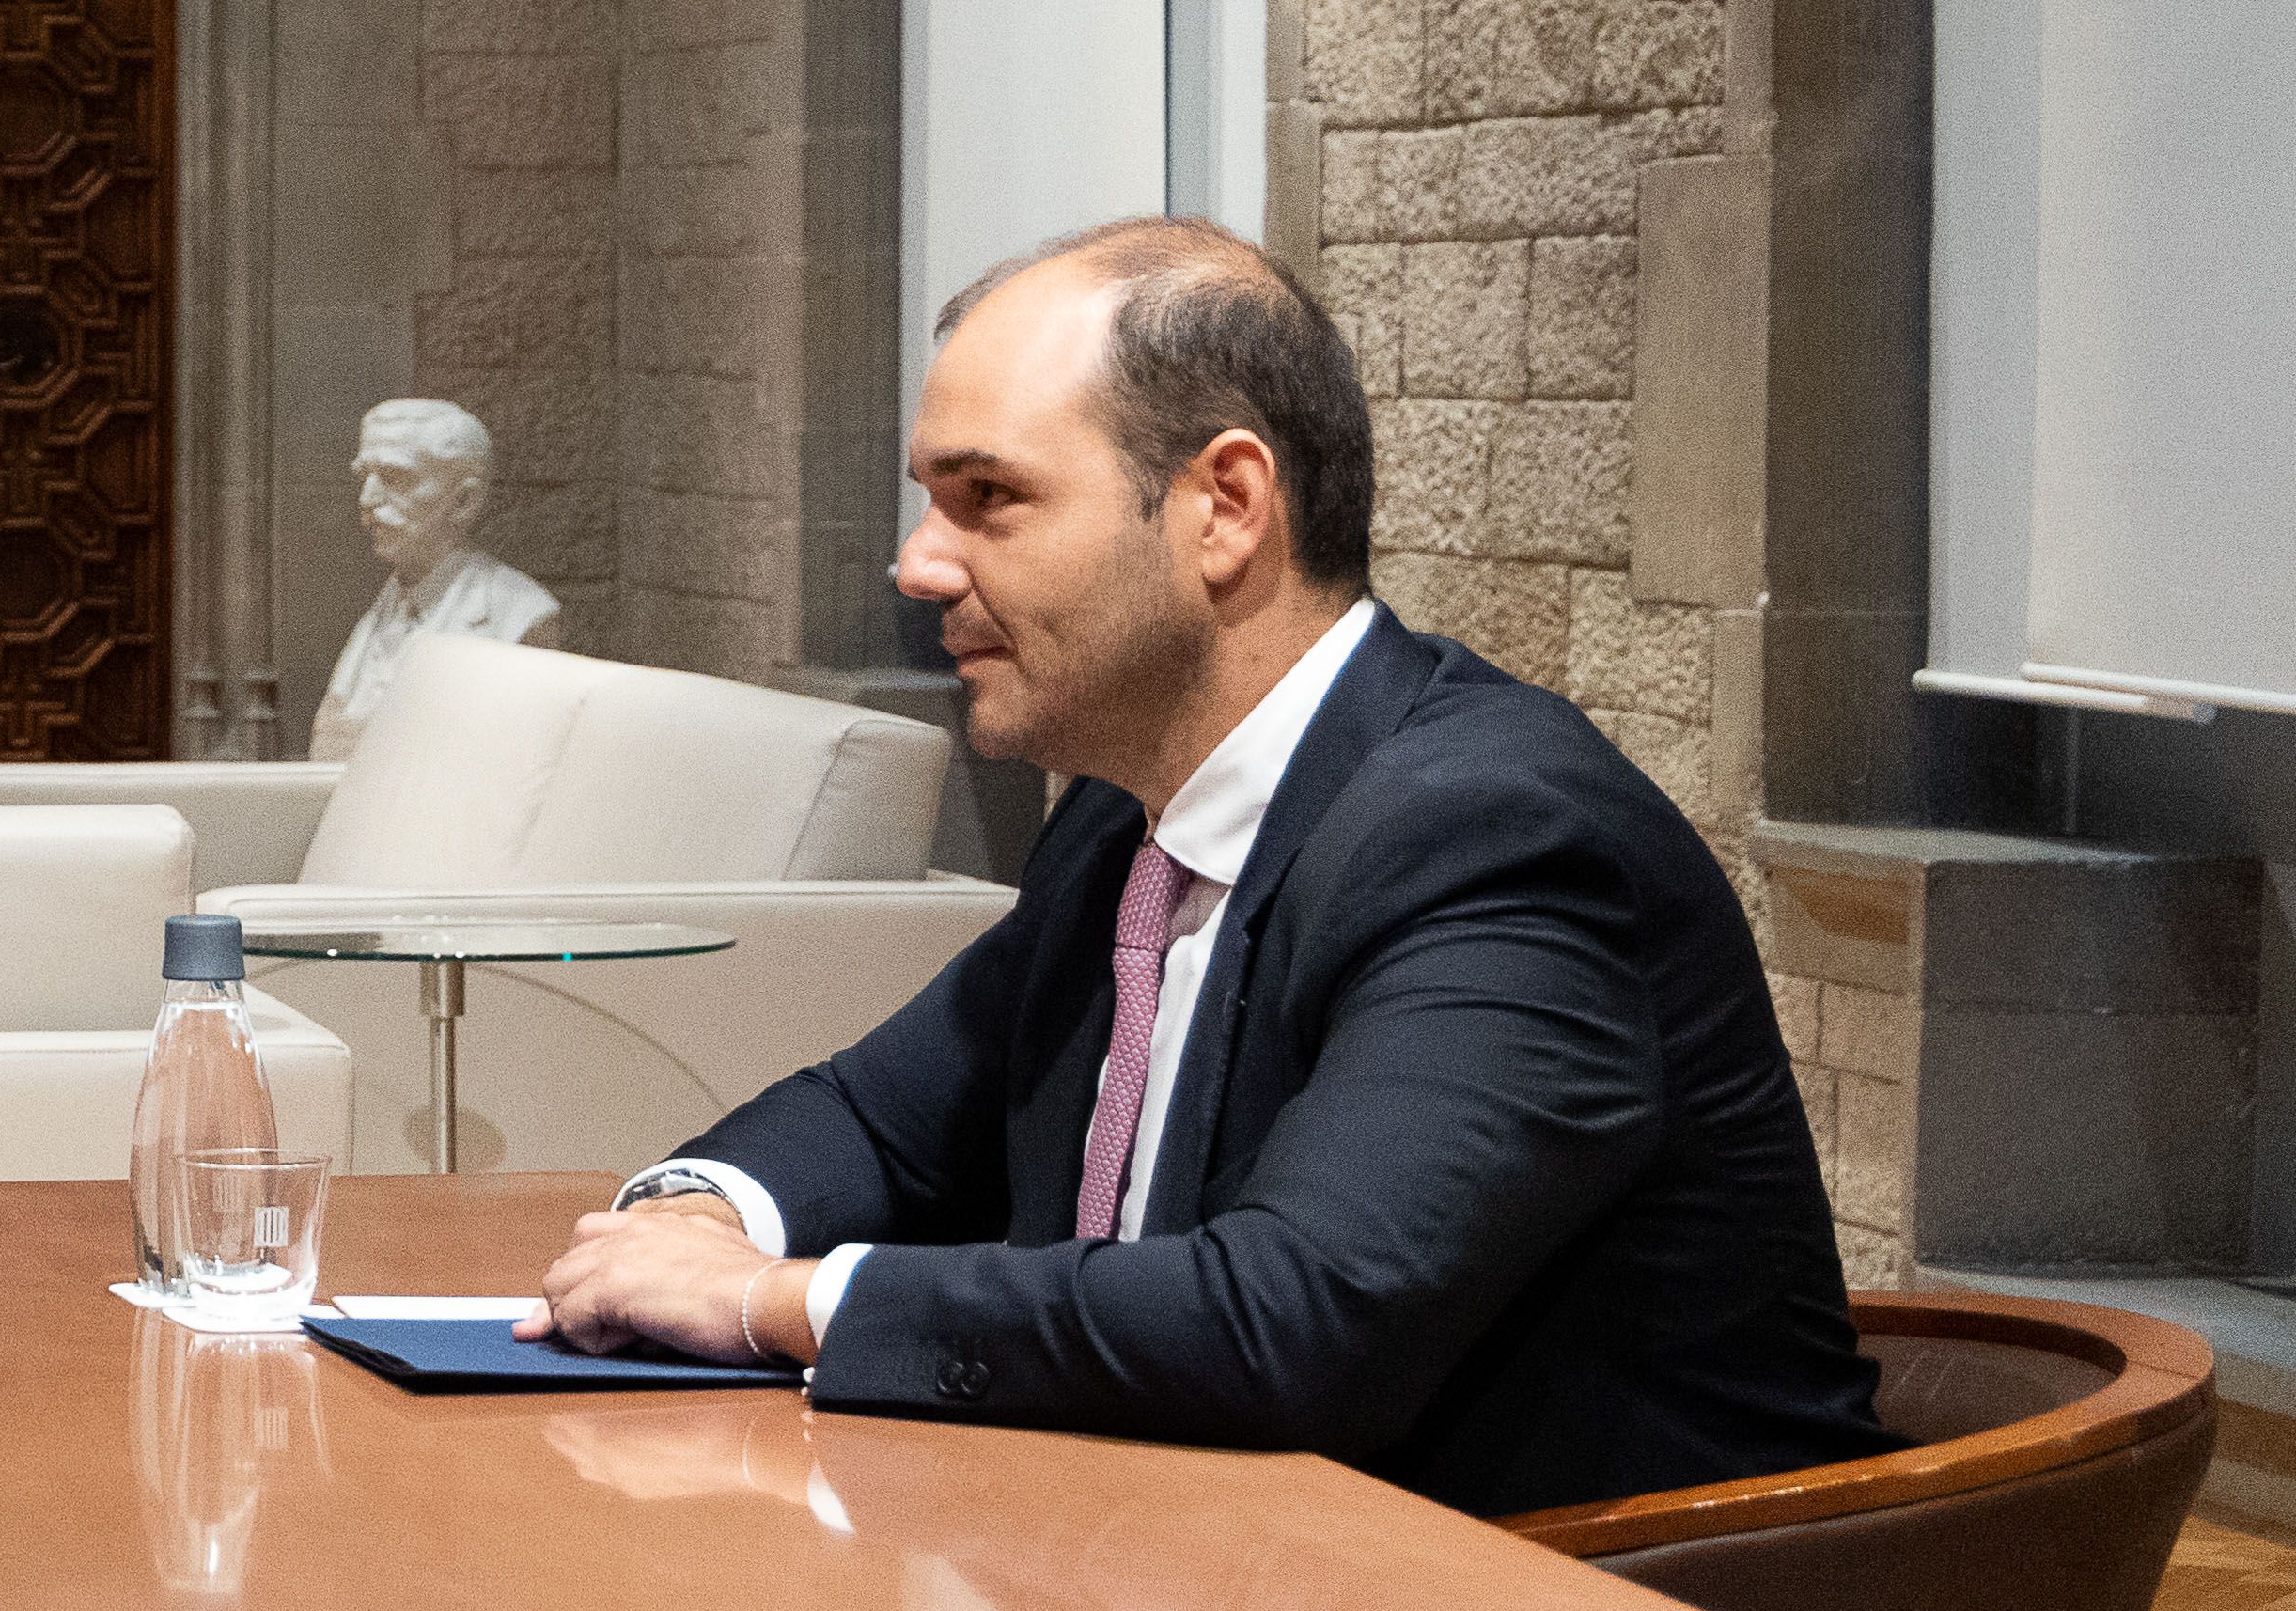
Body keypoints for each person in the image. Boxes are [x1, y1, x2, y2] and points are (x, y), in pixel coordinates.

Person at [526, 216, 1887, 1521]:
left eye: (984, 497)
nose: (915, 565)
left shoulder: (1492, 835)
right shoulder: (1124, 824)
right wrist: (694, 1219)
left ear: (1223, 506)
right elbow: (879, 1121)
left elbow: (1292, 1318)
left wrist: (771, 1300)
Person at [302, 394, 563, 757]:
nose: (367, 498)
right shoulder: (381, 613)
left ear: (463, 501)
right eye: (365, 476)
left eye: (394, 478)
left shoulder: (518, 616)